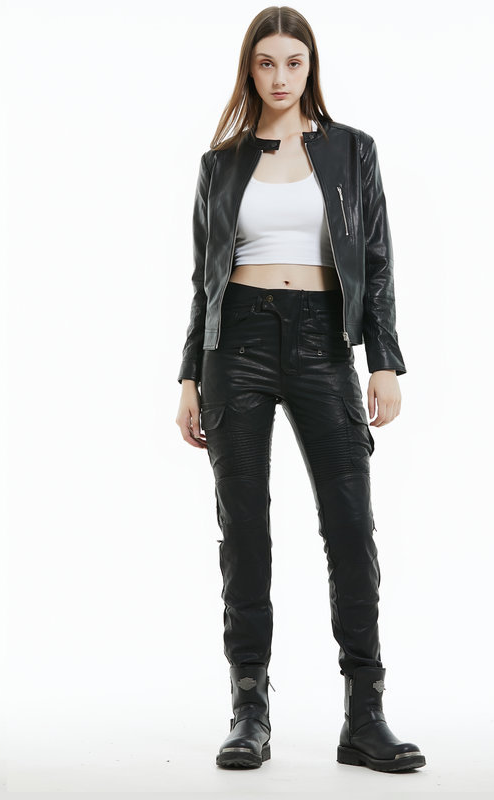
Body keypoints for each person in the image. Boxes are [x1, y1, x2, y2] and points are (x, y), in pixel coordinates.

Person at [175, 6, 425, 773]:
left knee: (350, 526)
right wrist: (189, 374)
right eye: (266, 63)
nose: (279, 77)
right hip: (237, 346)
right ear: (249, 70)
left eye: (293, 62)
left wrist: (382, 359)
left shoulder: (352, 151)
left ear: (310, 67)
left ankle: (365, 715)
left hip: (323, 345)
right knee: (245, 531)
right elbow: (203, 278)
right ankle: (249, 711)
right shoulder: (220, 164)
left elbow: (375, 261)